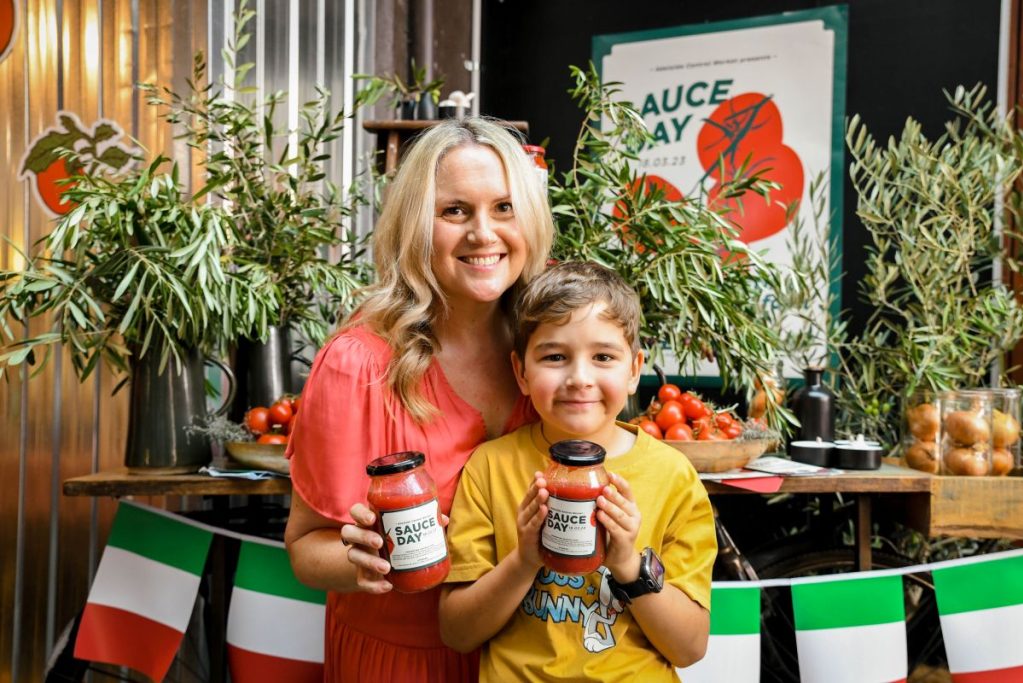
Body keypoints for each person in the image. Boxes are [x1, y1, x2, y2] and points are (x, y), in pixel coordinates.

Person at [283, 117, 554, 682]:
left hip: (533, 658)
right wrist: (361, 556)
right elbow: (305, 547)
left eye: (504, 207)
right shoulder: (359, 363)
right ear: (414, 225)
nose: (484, 233)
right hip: (403, 661)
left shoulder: (551, 350)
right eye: (455, 211)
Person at [438, 261, 716, 682]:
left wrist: (627, 563)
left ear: (633, 370)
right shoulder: (490, 468)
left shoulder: (673, 477)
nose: (579, 378)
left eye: (603, 356)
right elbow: (457, 632)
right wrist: (524, 560)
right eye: (555, 357)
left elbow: (690, 646)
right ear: (522, 372)